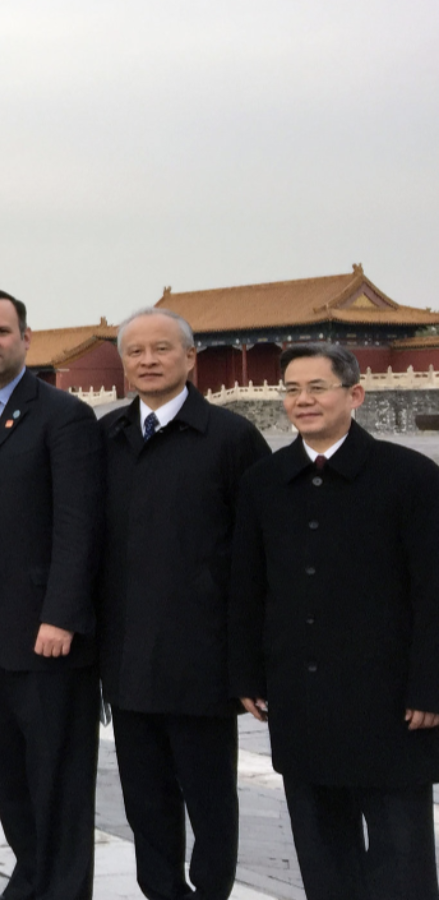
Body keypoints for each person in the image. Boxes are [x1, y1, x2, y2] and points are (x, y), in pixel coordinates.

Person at [231, 343, 439, 900]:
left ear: (355, 395)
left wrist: (430, 685)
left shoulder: (410, 477)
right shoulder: (265, 481)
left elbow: (433, 591)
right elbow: (248, 587)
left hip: (392, 704)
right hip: (302, 697)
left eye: (317, 388)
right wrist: (247, 674)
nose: (303, 400)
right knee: (323, 855)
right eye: (292, 389)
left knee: (403, 859)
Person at [98, 309, 268, 900]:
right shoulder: (109, 437)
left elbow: (258, 556)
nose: (148, 361)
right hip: (126, 659)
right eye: (135, 352)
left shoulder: (230, 438)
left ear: (191, 358)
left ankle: (212, 891)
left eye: (162, 349)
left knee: (211, 800)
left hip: (202, 661)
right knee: (145, 800)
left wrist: (249, 659)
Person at [0, 290, 105, 900]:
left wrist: (62, 614)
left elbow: (77, 524)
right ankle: (32, 871)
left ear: (26, 338)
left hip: (45, 628)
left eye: (0, 331)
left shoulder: (63, 416)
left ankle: (64, 887)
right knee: (7, 768)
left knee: (58, 773)